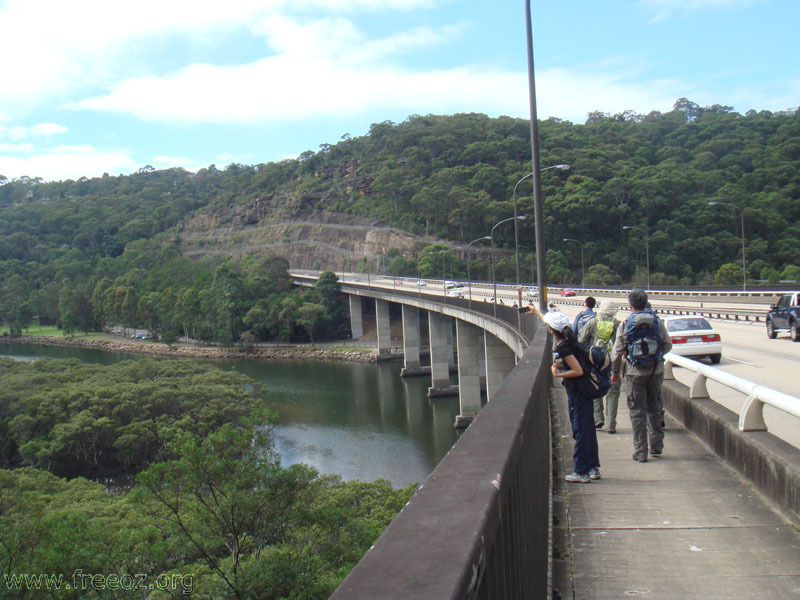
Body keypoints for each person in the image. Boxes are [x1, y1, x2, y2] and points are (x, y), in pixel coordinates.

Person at [527, 304, 600, 482]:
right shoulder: (570, 339)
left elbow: (578, 371)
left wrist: (557, 373)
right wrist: (537, 312)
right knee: (587, 429)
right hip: (585, 391)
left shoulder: (564, 349)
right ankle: (592, 468)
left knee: (580, 431)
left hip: (578, 392)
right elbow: (551, 323)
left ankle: (581, 472)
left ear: (551, 330)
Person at [610, 289, 672, 462]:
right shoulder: (657, 322)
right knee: (655, 407)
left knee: (637, 412)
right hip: (656, 371)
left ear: (630, 306)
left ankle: (641, 452)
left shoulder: (625, 324)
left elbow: (616, 353)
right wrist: (656, 357)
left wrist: (615, 373)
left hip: (634, 372)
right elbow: (667, 345)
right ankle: (657, 447)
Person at [579, 299, 621, 433]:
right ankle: (611, 424)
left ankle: (598, 418)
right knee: (613, 393)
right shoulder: (618, 325)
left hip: (595, 362)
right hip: (613, 362)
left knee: (596, 388)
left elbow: (581, 341)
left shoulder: (592, 323)